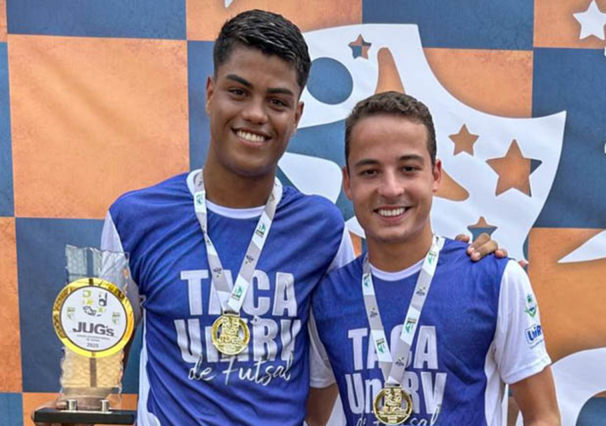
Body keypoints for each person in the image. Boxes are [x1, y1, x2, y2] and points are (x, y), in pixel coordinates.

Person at [36, 10, 501, 426]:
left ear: (296, 115)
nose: (255, 114)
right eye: (239, 92)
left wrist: (466, 264)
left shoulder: (322, 229)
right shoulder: (136, 218)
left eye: (277, 101)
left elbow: (375, 316)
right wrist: (81, 395)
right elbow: (97, 363)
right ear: (211, 93)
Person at [311, 92, 560, 426]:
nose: (391, 189)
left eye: (408, 169)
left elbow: (543, 415)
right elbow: (316, 417)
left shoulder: (494, 278)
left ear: (436, 175)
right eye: (370, 172)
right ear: (348, 183)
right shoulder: (327, 297)